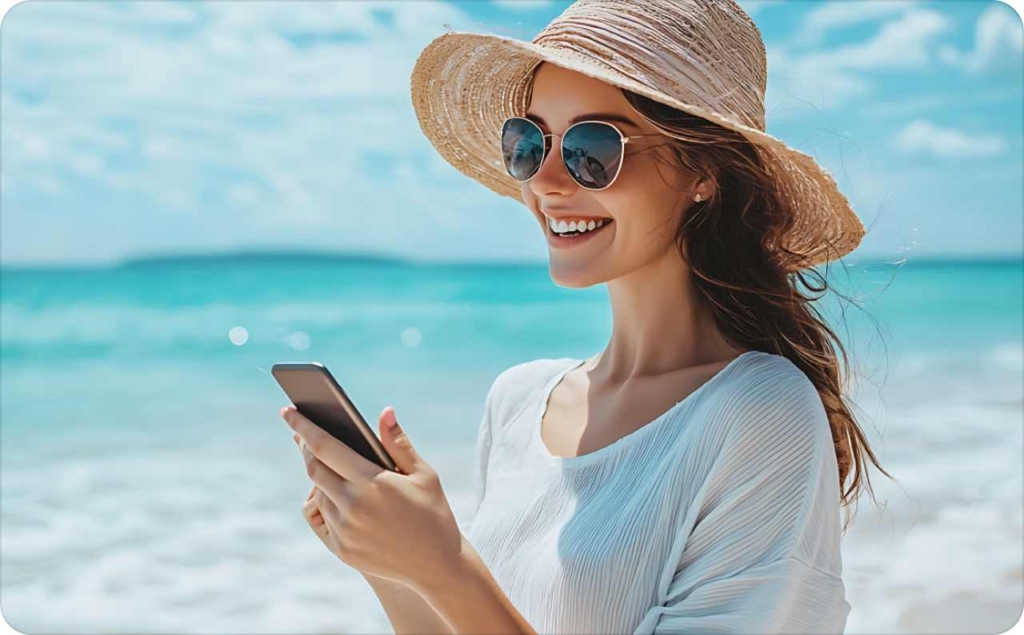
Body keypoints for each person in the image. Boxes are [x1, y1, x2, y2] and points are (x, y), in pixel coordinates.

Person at [303, 0, 892, 632]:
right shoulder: (518, 401)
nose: (549, 181)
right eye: (529, 143)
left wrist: (444, 564)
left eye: (592, 147)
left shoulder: (761, 412)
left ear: (705, 171)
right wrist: (392, 563)